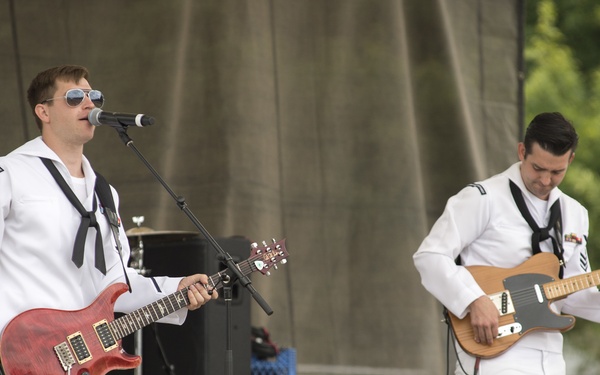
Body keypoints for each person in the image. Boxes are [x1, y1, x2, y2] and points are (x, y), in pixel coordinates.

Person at [0, 65, 218, 371]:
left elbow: (114, 283)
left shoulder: (105, 193)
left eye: (95, 96)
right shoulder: (11, 173)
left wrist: (176, 288)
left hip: (78, 360)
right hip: (19, 351)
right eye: (74, 97)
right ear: (43, 112)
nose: (90, 105)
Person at [413, 112, 600, 374]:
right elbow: (430, 255)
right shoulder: (483, 197)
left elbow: (573, 293)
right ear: (522, 151)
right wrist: (473, 300)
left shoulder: (575, 213)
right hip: (494, 354)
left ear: (571, 159)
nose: (546, 180)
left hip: (551, 357)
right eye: (538, 168)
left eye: (557, 171)